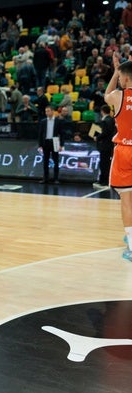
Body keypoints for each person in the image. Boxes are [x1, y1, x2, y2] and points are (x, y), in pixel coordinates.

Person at [104, 52, 132, 261]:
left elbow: (106, 94)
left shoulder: (117, 96)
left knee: (126, 200)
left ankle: (131, 244)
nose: (120, 81)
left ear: (126, 79)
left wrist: (114, 72)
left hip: (124, 150)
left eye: (122, 77)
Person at [38, 105, 64, 184]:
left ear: (52, 111)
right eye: (46, 111)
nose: (47, 113)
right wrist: (40, 145)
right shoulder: (43, 121)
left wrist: (61, 145)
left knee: (56, 161)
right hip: (46, 142)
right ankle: (45, 178)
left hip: (55, 142)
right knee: (45, 161)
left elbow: (62, 134)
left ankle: (56, 178)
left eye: (48, 111)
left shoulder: (58, 121)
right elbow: (40, 134)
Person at [93, 104, 116, 189]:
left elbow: (105, 133)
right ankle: (103, 180)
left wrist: (97, 137)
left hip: (105, 145)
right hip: (109, 145)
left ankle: (104, 181)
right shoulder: (111, 120)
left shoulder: (105, 121)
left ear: (102, 111)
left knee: (104, 164)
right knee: (106, 163)